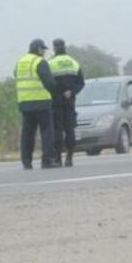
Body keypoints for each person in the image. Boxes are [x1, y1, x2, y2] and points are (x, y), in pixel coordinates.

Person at [15, 38, 60, 169]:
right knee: (46, 132)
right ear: (39, 49)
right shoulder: (40, 62)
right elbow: (50, 83)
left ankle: (26, 162)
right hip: (41, 102)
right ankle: (47, 160)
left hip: (24, 102)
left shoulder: (20, 62)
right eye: (43, 49)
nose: (44, 52)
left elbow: (16, 75)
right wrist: (55, 94)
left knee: (27, 133)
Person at [48, 38, 85, 167]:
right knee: (70, 129)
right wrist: (72, 92)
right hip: (70, 101)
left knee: (57, 130)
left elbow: (47, 82)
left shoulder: (50, 63)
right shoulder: (74, 63)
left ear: (54, 48)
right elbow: (81, 83)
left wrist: (56, 93)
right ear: (65, 47)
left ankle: (58, 158)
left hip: (55, 101)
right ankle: (69, 157)